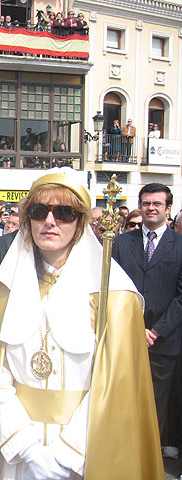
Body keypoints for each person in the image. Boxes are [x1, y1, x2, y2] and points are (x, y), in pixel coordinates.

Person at [0, 169, 164, 479]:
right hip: (16, 454)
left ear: (79, 224)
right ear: (28, 221)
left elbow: (118, 390)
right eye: (39, 211)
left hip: (86, 452)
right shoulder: (5, 293)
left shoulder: (114, 297)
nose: (50, 221)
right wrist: (28, 449)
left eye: (63, 213)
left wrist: (66, 455)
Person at [113, 183, 182, 444]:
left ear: (168, 208)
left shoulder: (179, 245)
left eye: (157, 204)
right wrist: (134, 327)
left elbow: (181, 296)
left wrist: (155, 330)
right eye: (146, 203)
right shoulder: (121, 243)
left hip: (163, 340)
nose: (151, 208)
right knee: (123, 400)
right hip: (125, 337)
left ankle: (150, 458)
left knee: (155, 404)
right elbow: (113, 289)